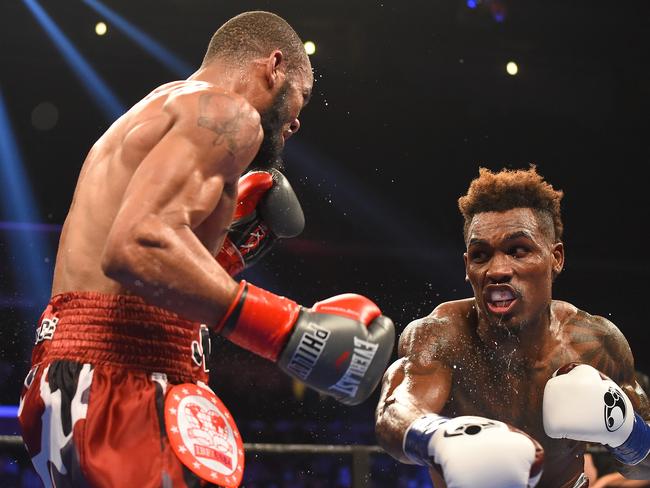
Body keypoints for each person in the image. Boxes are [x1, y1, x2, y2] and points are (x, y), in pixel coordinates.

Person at [17, 11, 394, 487]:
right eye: (302, 97)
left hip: (84, 372)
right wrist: (286, 328)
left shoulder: (155, 110)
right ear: (274, 66)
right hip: (122, 377)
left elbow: (129, 262)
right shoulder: (227, 114)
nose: (297, 122)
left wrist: (225, 258)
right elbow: (137, 245)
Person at [375, 166, 650, 488]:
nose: (498, 270)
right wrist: (436, 438)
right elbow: (396, 411)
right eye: (481, 255)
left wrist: (629, 433)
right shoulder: (442, 336)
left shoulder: (594, 343)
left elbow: (643, 468)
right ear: (468, 267)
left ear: (556, 257)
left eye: (518, 250)